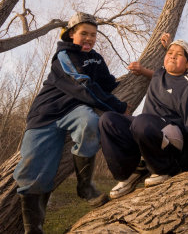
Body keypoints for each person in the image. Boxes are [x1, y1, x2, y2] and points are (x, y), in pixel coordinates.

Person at [13, 12, 130, 233]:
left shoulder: (96, 58)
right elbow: (81, 84)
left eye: (93, 35)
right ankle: (33, 228)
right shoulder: (64, 55)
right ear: (70, 34)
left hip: (74, 109)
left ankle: (85, 186)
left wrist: (134, 72)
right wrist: (118, 106)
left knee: (89, 123)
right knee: (32, 170)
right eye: (83, 33)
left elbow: (108, 82)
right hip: (45, 113)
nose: (89, 38)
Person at [99, 39, 188, 199]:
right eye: (170, 53)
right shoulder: (160, 72)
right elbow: (158, 71)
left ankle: (162, 169)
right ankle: (127, 174)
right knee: (108, 120)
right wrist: (141, 69)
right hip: (145, 128)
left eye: (179, 55)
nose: (173, 56)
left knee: (142, 121)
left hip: (172, 136)